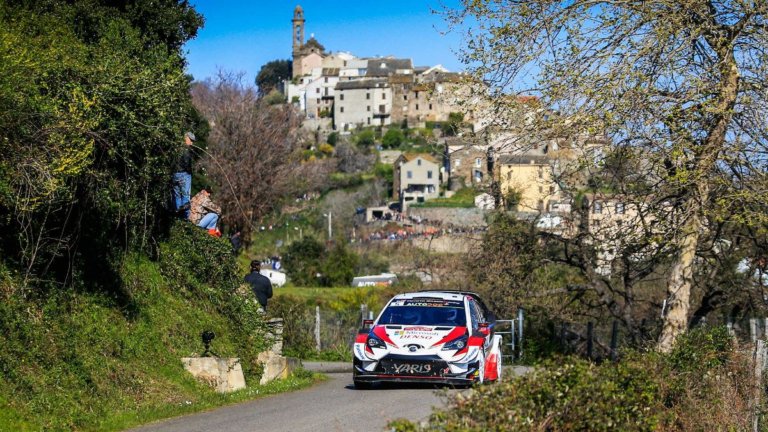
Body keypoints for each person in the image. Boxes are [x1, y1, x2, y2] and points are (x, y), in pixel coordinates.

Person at [173, 131, 196, 218]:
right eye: (191, 140)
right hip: (184, 175)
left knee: (177, 196)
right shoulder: (186, 150)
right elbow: (187, 164)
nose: (192, 143)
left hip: (174, 175)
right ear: (186, 138)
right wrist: (190, 172)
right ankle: (185, 219)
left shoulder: (176, 147)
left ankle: (177, 218)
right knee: (186, 197)